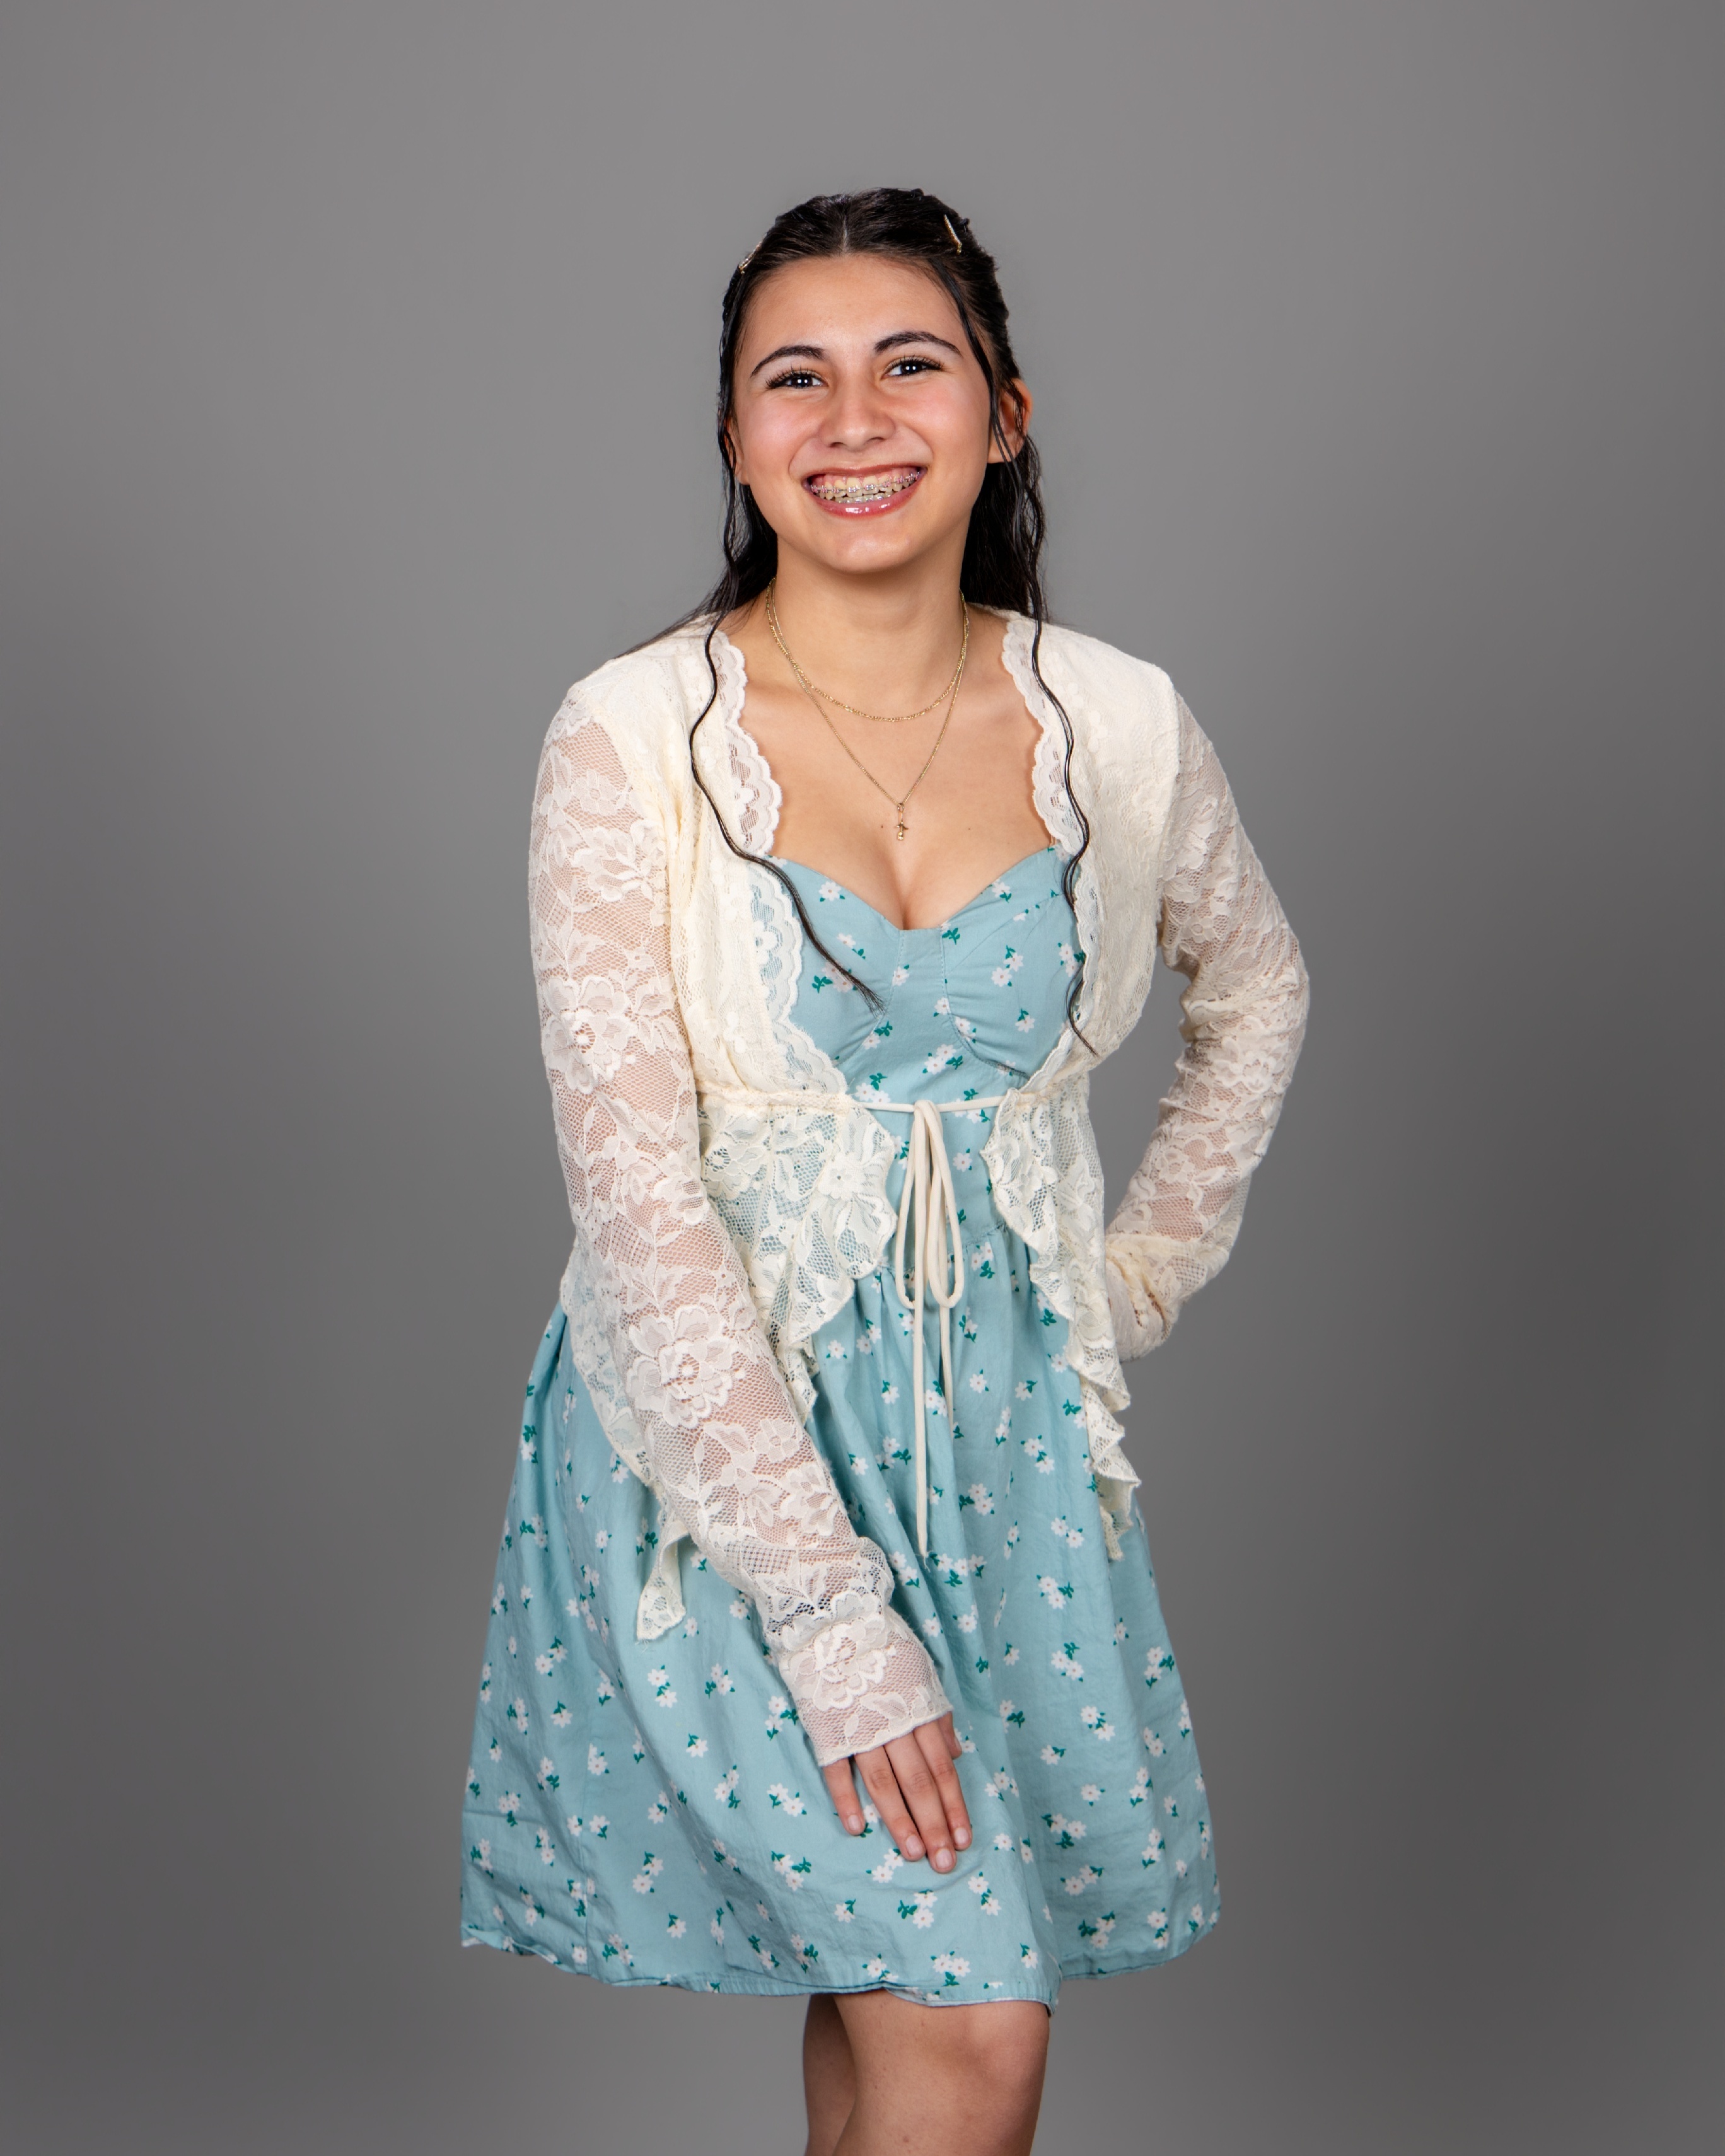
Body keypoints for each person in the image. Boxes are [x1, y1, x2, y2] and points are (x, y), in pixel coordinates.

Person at [460, 187, 1309, 2156]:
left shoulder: (1116, 721)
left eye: (909, 363)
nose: (853, 417)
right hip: (719, 1466)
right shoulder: (630, 737)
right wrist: (827, 1607)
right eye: (796, 376)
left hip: (1008, 1457)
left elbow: (1257, 985)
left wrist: (1133, 1275)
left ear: (1004, 416)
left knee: (903, 2028)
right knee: (970, 2031)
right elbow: (635, 1195)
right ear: (737, 436)